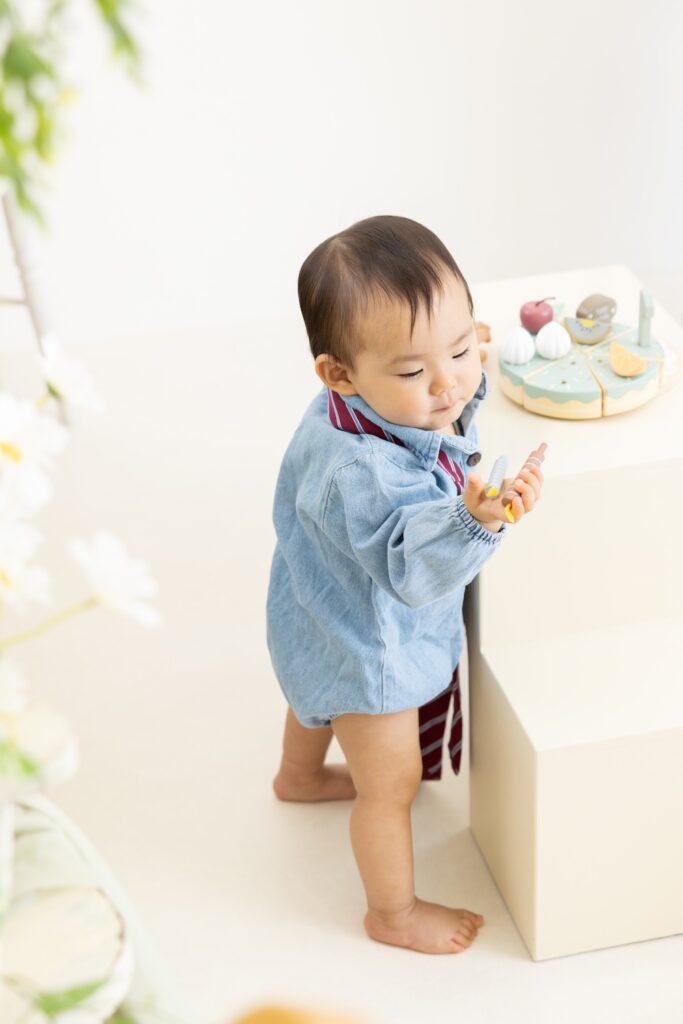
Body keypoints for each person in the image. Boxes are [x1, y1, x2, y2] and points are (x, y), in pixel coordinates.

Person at [266, 215, 544, 954]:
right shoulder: (367, 473)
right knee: (390, 786)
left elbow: (432, 407)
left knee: (312, 694)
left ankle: (297, 778)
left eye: (460, 348)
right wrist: (474, 519)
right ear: (339, 373)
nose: (448, 383)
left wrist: (446, 367)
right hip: (371, 648)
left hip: (313, 611)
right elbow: (412, 571)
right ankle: (391, 914)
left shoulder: (348, 409)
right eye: (415, 371)